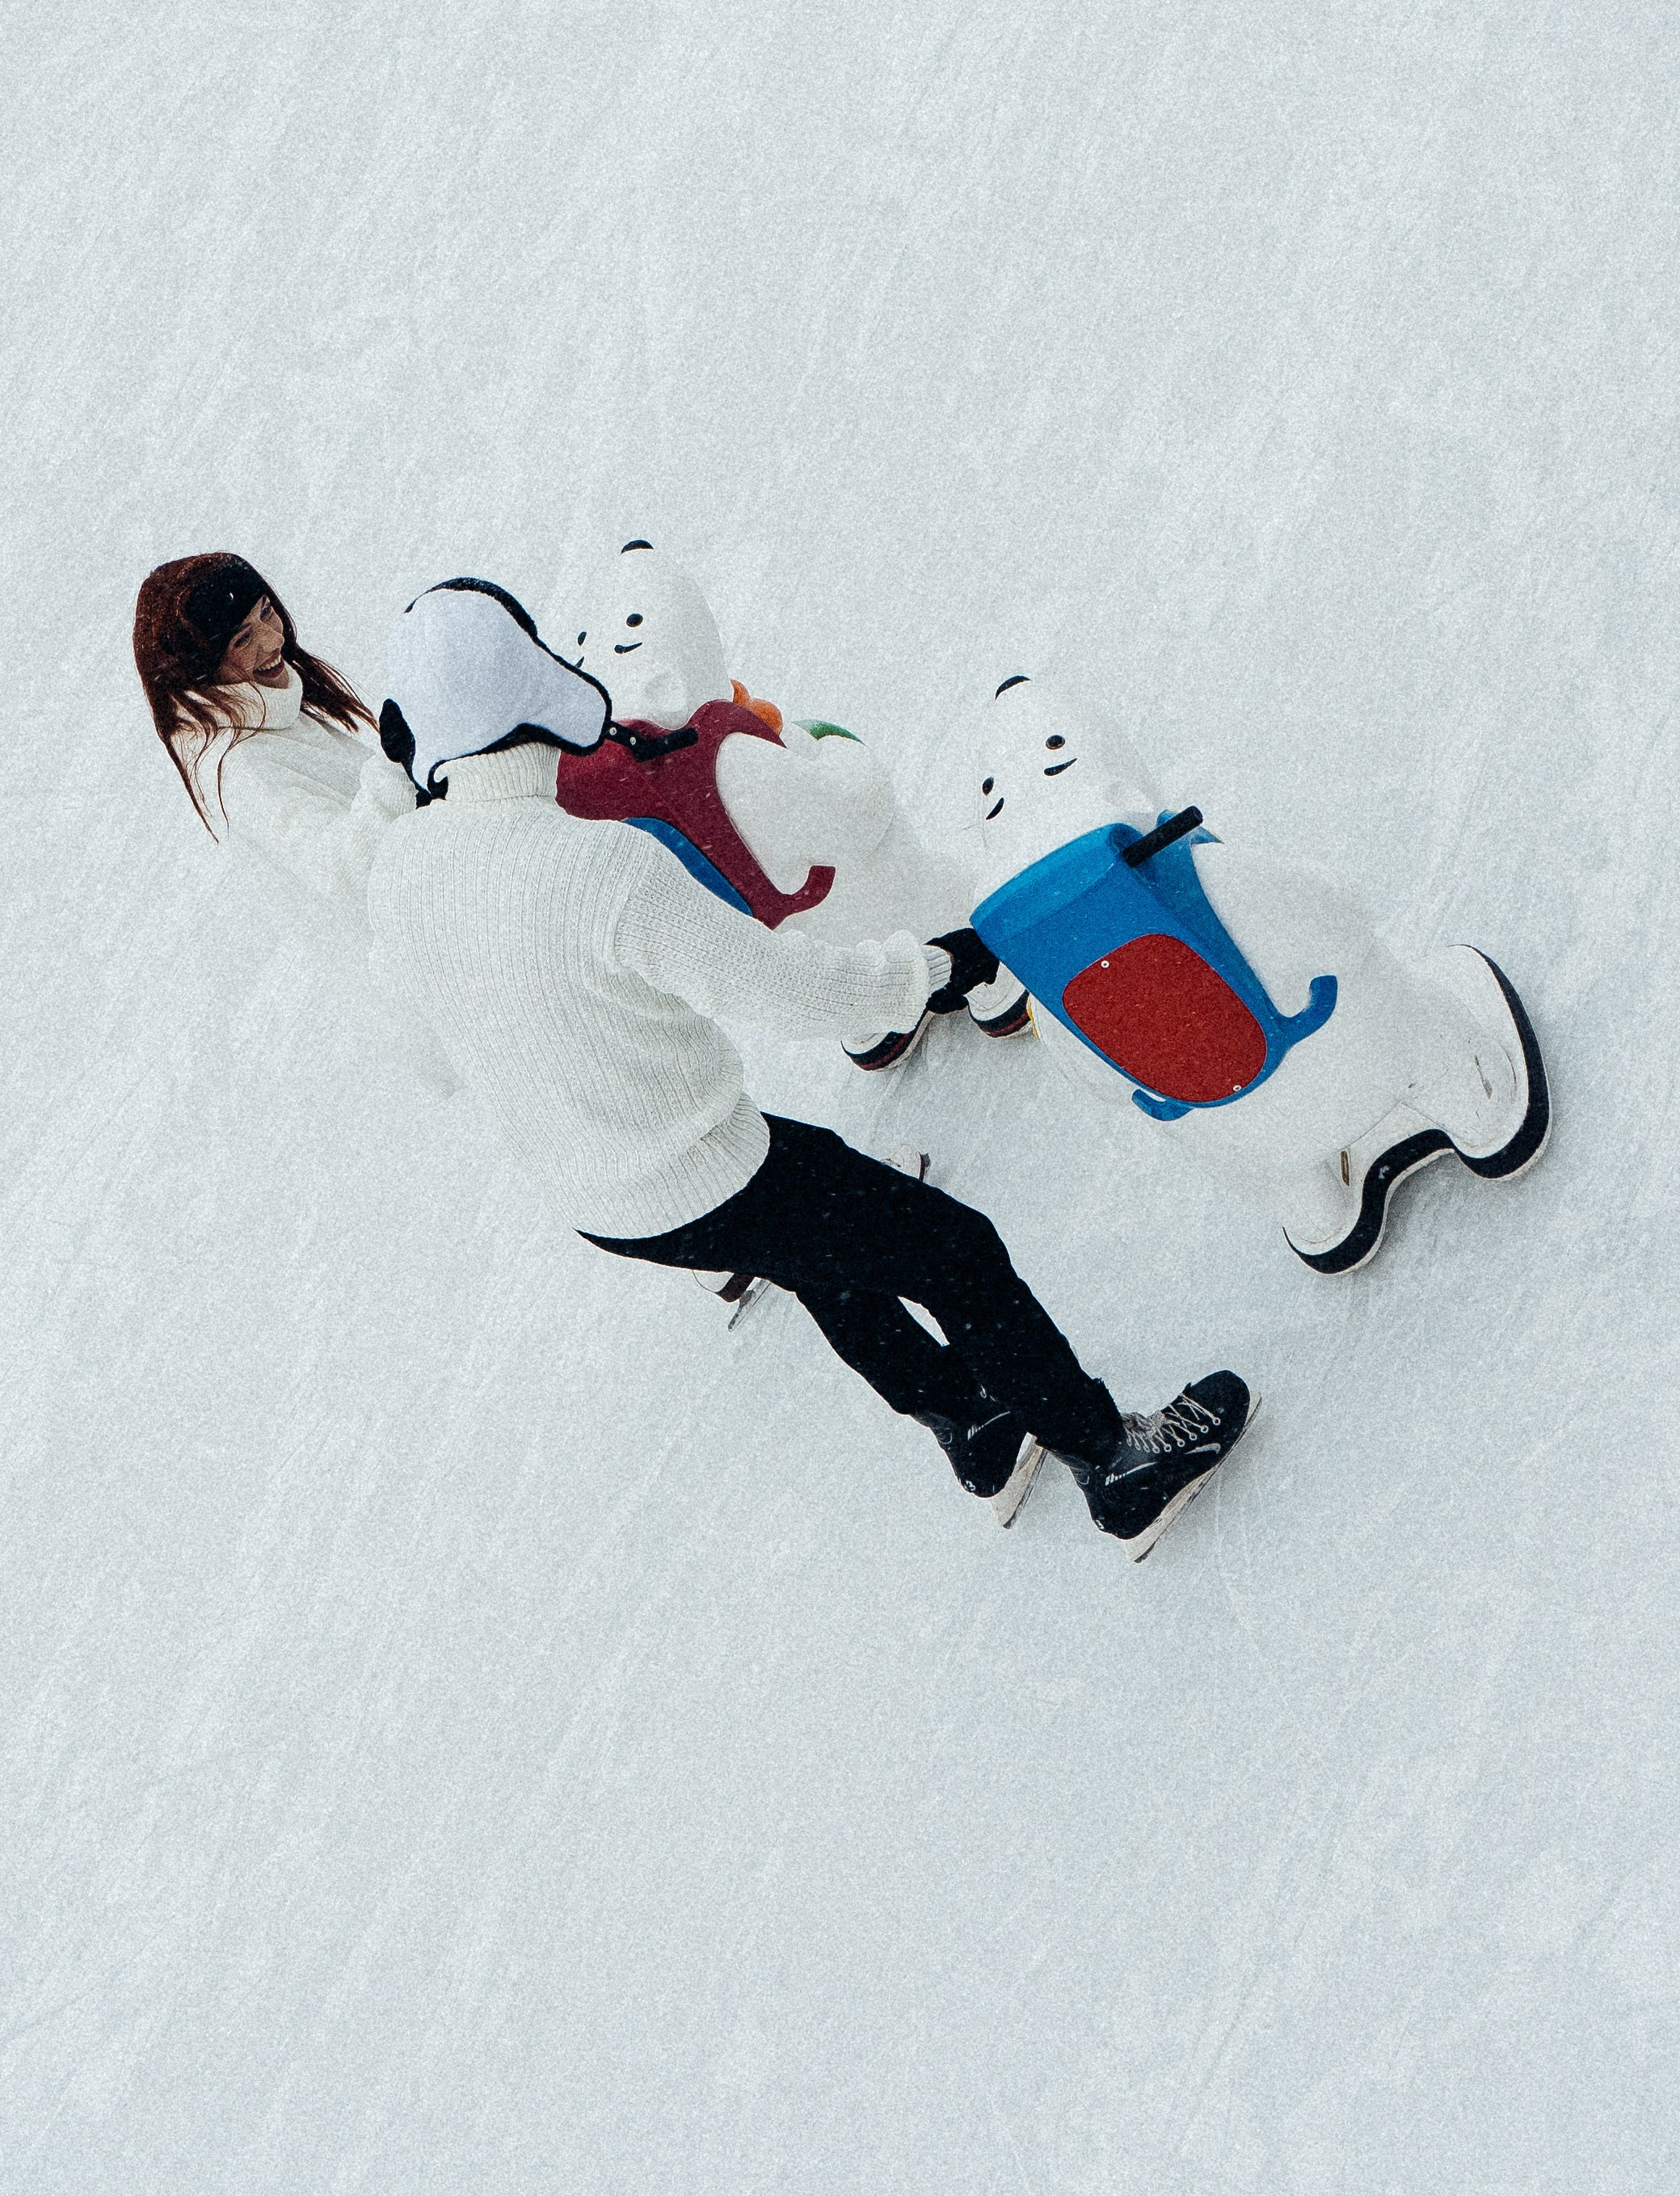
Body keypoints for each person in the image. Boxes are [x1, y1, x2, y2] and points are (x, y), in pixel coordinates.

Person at [366, 580, 1256, 1559]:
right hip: (697, 1166)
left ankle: (978, 1429)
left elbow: (424, 1053)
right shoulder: (599, 872)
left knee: (823, 1258)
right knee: (955, 1251)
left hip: (596, 1198)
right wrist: (931, 966)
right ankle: (1112, 1460)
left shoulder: (404, 869)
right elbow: (793, 992)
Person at [971, 672, 1549, 1272]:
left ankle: (1319, 1215)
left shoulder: (1047, 995)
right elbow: (1343, 918)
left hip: (1243, 1139)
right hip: (1360, 1056)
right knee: (1407, 1017)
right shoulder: (1206, 875)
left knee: (1264, 1153)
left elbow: (1103, 1082)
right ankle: (1478, 1104)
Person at [559, 539, 1029, 1067]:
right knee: (933, 900)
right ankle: (993, 976)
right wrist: (836, 745)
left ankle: (871, 1021)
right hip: (847, 886)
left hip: (775, 927)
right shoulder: (728, 761)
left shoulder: (591, 792)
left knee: (839, 957)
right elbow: (856, 814)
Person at [131, 550, 455, 1091]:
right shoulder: (241, 767)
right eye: (240, 640)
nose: (269, 638)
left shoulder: (269, 711)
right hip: (431, 987)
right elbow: (342, 868)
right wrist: (394, 765)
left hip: (440, 942)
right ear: (201, 665)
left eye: (265, 611)